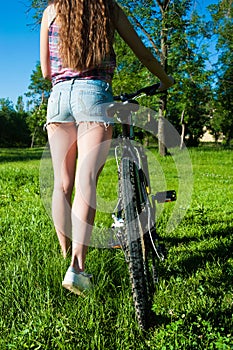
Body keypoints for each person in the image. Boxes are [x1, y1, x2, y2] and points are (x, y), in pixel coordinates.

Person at [40, 0, 174, 295]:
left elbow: (47, 71)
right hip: (94, 93)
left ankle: (64, 256)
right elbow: (143, 55)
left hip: (59, 98)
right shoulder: (108, 8)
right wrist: (165, 79)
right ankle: (77, 266)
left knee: (62, 185)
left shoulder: (50, 11)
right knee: (86, 179)